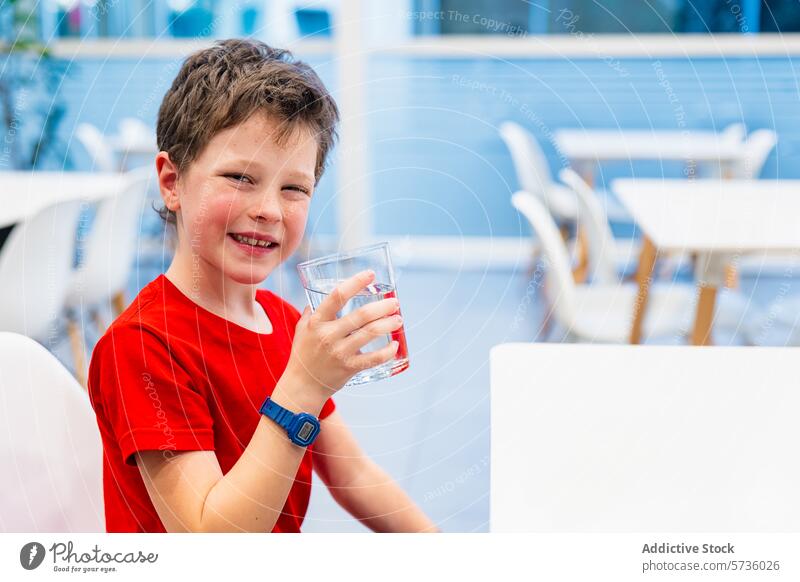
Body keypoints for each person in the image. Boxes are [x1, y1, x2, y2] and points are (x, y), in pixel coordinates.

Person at [87, 39, 437, 533]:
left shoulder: (284, 321)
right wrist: (303, 386)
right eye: (239, 177)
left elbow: (352, 473)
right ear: (171, 181)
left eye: (294, 188)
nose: (270, 210)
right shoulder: (143, 346)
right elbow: (213, 542)